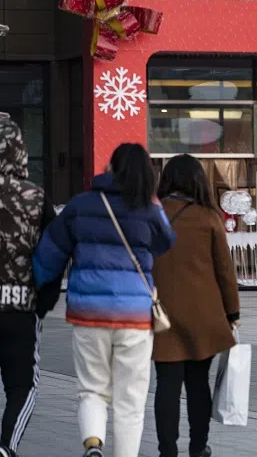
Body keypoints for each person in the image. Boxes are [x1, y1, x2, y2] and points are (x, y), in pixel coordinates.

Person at [33, 143, 175, 457]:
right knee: (131, 399)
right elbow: (167, 241)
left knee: (91, 388)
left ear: (111, 168)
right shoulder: (150, 209)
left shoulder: (81, 205)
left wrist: (38, 286)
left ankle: (94, 444)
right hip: (135, 318)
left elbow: (50, 250)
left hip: (89, 313)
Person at [153, 155, 241, 457]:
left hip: (161, 314)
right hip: (204, 315)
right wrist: (233, 312)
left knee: (166, 383)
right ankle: (198, 445)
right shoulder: (208, 217)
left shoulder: (154, 215)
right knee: (198, 383)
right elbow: (224, 271)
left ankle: (167, 449)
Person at [0, 117, 62, 457]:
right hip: (21, 309)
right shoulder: (36, 198)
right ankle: (6, 445)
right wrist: (43, 303)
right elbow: (53, 256)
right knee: (22, 384)